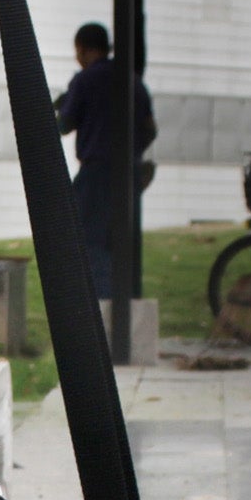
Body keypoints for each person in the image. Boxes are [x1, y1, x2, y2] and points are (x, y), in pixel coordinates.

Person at [57, 20, 156, 299]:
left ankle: (99, 307)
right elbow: (150, 129)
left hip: (96, 173)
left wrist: (62, 106)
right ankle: (125, 303)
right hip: (129, 173)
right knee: (123, 242)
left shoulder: (85, 80)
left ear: (85, 50)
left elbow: (64, 125)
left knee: (89, 241)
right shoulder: (133, 80)